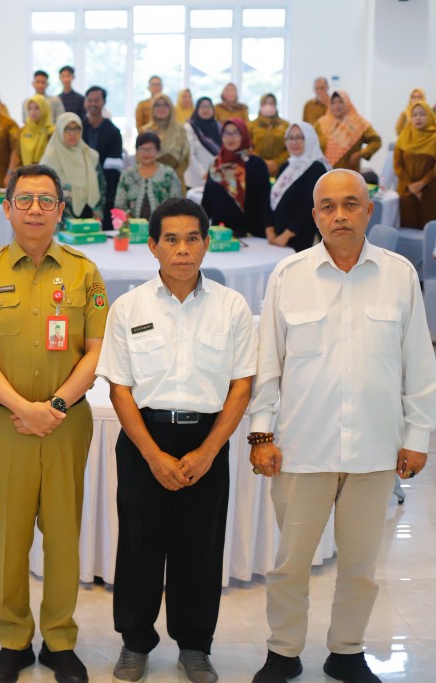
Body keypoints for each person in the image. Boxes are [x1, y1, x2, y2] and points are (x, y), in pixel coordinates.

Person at [248, 169, 436, 683]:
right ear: (315, 216)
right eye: (327, 207)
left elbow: (419, 363)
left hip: (376, 449)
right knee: (290, 565)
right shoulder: (289, 275)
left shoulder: (399, 275)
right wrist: (261, 434)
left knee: (360, 566)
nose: (339, 215)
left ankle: (346, 650)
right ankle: (283, 651)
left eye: (350, 204)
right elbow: (269, 363)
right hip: (301, 447)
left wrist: (418, 438)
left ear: (369, 211)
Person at [96, 197, 256, 683]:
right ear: (152, 246)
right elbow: (119, 388)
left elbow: (242, 385)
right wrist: (152, 454)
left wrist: (208, 452)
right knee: (140, 546)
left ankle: (195, 645)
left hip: (207, 439)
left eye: (192, 239)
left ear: (207, 244)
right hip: (145, 437)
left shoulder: (232, 307)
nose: (182, 250)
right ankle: (135, 641)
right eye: (171, 239)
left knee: (199, 549)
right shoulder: (129, 307)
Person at [0, 164, 106, 683]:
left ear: (62, 209)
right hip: (8, 423)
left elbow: (96, 350)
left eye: (47, 200)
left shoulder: (85, 272)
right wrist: (23, 408)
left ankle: (60, 639)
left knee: (64, 534)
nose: (36, 210)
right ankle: (14, 638)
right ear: (7, 208)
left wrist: (57, 406)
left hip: (68, 423)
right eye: (25, 200)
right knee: (11, 533)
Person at [201, 119, 274, 238]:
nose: (230, 138)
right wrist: (200, 228)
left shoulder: (256, 164)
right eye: (226, 133)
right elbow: (207, 200)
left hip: (251, 233)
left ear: (244, 135)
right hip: (220, 233)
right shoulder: (215, 164)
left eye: (235, 133)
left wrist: (269, 229)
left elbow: (265, 201)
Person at [269, 122, 330, 251]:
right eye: (290, 137)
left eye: (300, 137)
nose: (294, 142)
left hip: (301, 241)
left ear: (310, 139)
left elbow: (312, 206)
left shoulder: (317, 168)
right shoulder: (287, 165)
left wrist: (287, 235)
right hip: (277, 240)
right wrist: (270, 230)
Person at [41, 113, 106, 219]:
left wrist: (98, 212)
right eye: (67, 129)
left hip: (89, 216)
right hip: (58, 218)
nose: (72, 134)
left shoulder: (90, 155)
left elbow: (101, 186)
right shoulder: (49, 160)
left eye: (77, 129)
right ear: (60, 130)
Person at [115, 131, 183, 220]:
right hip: (132, 229)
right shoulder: (127, 175)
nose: (146, 153)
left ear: (158, 151)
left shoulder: (168, 174)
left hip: (163, 228)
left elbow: (176, 204)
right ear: (137, 151)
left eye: (150, 149)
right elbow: (119, 205)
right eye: (142, 149)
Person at [314, 90, 381, 172]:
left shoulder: (358, 123)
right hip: (324, 172)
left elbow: (376, 141)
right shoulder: (321, 123)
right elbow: (310, 144)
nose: (337, 105)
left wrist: (360, 154)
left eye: (340, 102)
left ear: (347, 103)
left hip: (350, 173)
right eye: (333, 103)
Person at [394, 100, 436, 229]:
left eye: (422, 114)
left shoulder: (434, 138)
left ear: (429, 116)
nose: (418, 118)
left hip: (430, 191)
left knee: (429, 228)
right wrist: (411, 186)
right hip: (406, 190)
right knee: (407, 227)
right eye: (414, 115)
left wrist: (422, 183)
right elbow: (398, 164)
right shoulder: (403, 137)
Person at [82, 86, 124, 214]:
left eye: (97, 100)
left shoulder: (113, 131)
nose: (93, 104)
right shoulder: (78, 129)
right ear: (85, 102)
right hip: (81, 187)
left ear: (103, 102)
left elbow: (114, 167)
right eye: (89, 100)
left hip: (105, 190)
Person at [142, 94, 190, 190]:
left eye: (165, 105)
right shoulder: (145, 131)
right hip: (150, 182)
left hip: (175, 180)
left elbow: (185, 157)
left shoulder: (180, 130)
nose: (161, 108)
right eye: (157, 105)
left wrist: (171, 176)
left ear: (171, 108)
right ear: (152, 109)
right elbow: (139, 159)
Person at [185, 97, 222, 190]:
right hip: (196, 180)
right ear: (197, 109)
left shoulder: (218, 127)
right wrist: (203, 173)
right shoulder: (190, 127)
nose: (206, 109)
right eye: (202, 107)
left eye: (209, 107)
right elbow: (190, 154)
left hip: (217, 177)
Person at [249, 94, 290, 176]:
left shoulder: (286, 125)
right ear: (261, 106)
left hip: (281, 169)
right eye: (265, 103)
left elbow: (290, 148)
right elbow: (247, 147)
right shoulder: (251, 125)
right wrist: (262, 162)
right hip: (257, 168)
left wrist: (277, 162)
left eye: (271, 103)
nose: (268, 106)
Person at [18, 94, 55, 166]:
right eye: (30, 108)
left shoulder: (52, 132)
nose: (33, 112)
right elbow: (18, 154)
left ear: (44, 109)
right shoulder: (23, 131)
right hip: (26, 172)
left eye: (37, 108)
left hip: (47, 172)